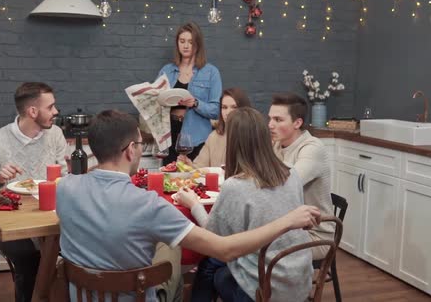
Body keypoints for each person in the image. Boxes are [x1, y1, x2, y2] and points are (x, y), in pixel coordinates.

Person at [57, 110, 321, 302]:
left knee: (174, 249)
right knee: (176, 249)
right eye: (139, 145)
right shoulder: (149, 205)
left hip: (81, 294)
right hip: (138, 295)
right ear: (130, 151)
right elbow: (224, 249)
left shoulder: (65, 187)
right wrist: (288, 220)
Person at [176, 107, 314, 302]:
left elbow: (214, 241)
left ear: (233, 143)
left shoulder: (236, 186)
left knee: (208, 262)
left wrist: (193, 204)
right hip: (298, 278)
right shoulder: (292, 173)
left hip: (265, 287)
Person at [0, 82, 68, 302]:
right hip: (13, 220)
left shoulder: (55, 134)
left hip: (51, 216)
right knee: (29, 259)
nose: (56, 112)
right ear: (32, 111)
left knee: (78, 251)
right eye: (51, 107)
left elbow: (63, 177)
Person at [268, 93, 334, 260]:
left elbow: (286, 185)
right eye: (270, 119)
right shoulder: (277, 145)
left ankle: (267, 285)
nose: (270, 125)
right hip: (289, 227)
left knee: (251, 248)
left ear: (297, 123)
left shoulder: (312, 148)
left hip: (315, 236)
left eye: (278, 120)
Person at [158, 22, 223, 165]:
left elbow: (216, 111)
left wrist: (195, 103)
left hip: (196, 136)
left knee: (194, 179)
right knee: (170, 180)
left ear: (198, 44)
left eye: (190, 42)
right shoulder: (166, 71)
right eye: (182, 41)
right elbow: (155, 101)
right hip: (169, 135)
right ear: (177, 44)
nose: (186, 46)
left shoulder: (211, 72)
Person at [178, 88, 251, 168]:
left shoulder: (252, 136)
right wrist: (189, 166)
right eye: (224, 107)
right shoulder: (213, 137)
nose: (228, 112)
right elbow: (200, 167)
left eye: (234, 107)